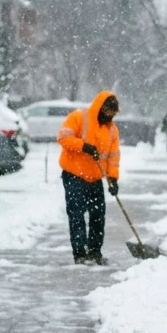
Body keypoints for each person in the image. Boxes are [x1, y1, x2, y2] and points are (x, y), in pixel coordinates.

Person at [57, 91, 121, 265]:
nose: (110, 117)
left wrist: (113, 179)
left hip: (95, 178)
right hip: (74, 175)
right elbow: (63, 137)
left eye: (113, 115)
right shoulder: (79, 117)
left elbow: (113, 157)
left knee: (98, 215)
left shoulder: (112, 130)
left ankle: (94, 251)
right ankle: (79, 253)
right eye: (108, 113)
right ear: (101, 108)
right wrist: (83, 146)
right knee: (77, 214)